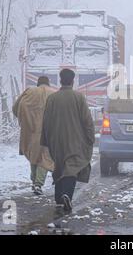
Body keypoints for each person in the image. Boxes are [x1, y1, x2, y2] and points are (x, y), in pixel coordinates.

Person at [41, 69, 95, 212]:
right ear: (72, 81)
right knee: (71, 166)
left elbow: (46, 121)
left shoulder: (52, 98)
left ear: (60, 80)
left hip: (56, 140)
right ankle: (67, 195)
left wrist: (45, 140)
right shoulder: (79, 97)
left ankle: (59, 198)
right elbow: (87, 121)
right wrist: (90, 138)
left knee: (59, 166)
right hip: (75, 139)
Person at [12, 76, 55, 196]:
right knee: (45, 157)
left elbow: (15, 109)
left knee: (34, 155)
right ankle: (38, 183)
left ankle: (34, 181)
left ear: (38, 83)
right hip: (48, 131)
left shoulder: (29, 92)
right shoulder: (53, 93)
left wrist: (26, 118)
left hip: (31, 130)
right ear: (48, 83)